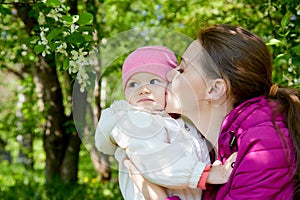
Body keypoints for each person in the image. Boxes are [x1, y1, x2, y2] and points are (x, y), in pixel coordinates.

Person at [124, 24, 300, 200]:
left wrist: (153, 194)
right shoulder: (207, 150)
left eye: (182, 69)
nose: (169, 75)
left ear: (214, 89)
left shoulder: (264, 140)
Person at [95, 46, 235, 200]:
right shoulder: (135, 121)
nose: (143, 89)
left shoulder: (181, 121)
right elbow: (155, 161)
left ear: (171, 86)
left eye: (154, 81)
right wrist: (204, 174)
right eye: (133, 84)